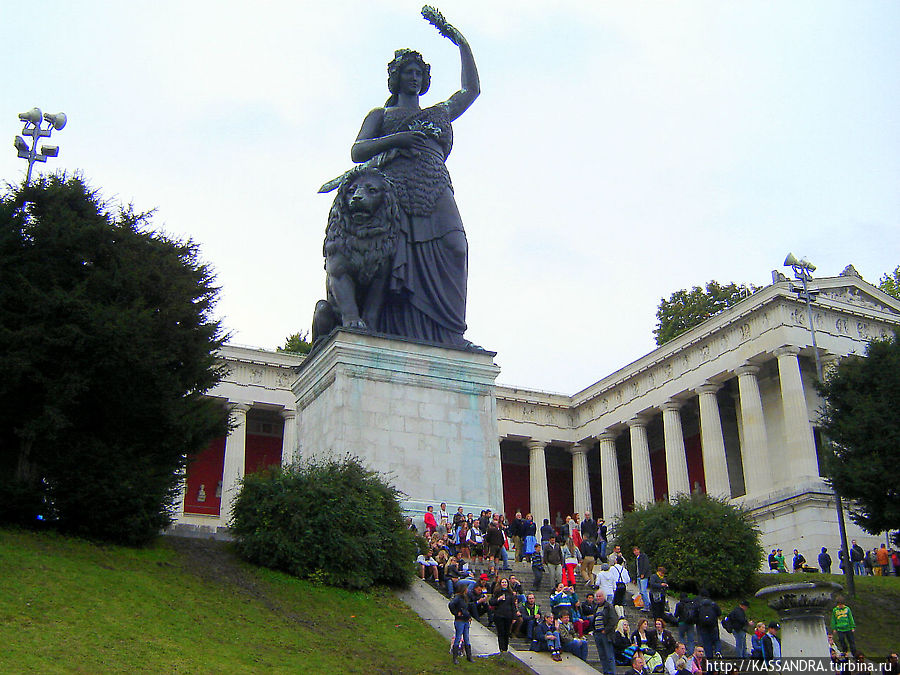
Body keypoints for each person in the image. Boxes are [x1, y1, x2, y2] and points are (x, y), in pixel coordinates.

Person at [347, 20, 479, 347]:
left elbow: (471, 91)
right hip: (395, 187)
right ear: (396, 78)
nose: (414, 78)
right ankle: (397, 329)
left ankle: (450, 332)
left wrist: (462, 43)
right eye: (408, 72)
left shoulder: (440, 112)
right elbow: (358, 151)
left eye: (419, 73)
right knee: (395, 259)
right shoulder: (381, 115)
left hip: (434, 183)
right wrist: (397, 139)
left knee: (456, 246)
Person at [448, 581, 478, 664]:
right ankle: (455, 657)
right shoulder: (458, 598)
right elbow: (451, 604)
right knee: (458, 637)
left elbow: (466, 609)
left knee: (466, 638)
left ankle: (469, 656)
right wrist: (456, 613)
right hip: (460, 620)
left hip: (465, 620)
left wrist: (468, 617)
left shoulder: (465, 598)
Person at [592, 589, 619, 675]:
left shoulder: (609, 607)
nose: (598, 598)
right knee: (602, 655)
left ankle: (611, 672)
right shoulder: (596, 607)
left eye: (600, 596)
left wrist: (606, 630)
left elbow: (614, 620)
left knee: (609, 655)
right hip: (597, 633)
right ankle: (606, 672)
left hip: (606, 634)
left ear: (604, 597)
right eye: (597, 596)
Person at [488, 577, 518, 652]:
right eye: (503, 582)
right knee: (501, 633)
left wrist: (514, 617)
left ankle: (506, 648)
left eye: (505, 582)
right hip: (499, 615)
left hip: (508, 615)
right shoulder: (497, 592)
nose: (504, 584)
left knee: (507, 633)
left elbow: (513, 606)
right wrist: (498, 599)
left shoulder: (511, 594)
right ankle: (501, 649)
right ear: (500, 584)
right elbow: (491, 602)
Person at [694, 589, 722, 658]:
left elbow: (695, 615)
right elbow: (719, 613)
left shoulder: (699, 605)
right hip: (713, 626)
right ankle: (718, 651)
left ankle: (709, 658)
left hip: (703, 627)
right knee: (716, 640)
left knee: (707, 643)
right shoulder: (713, 604)